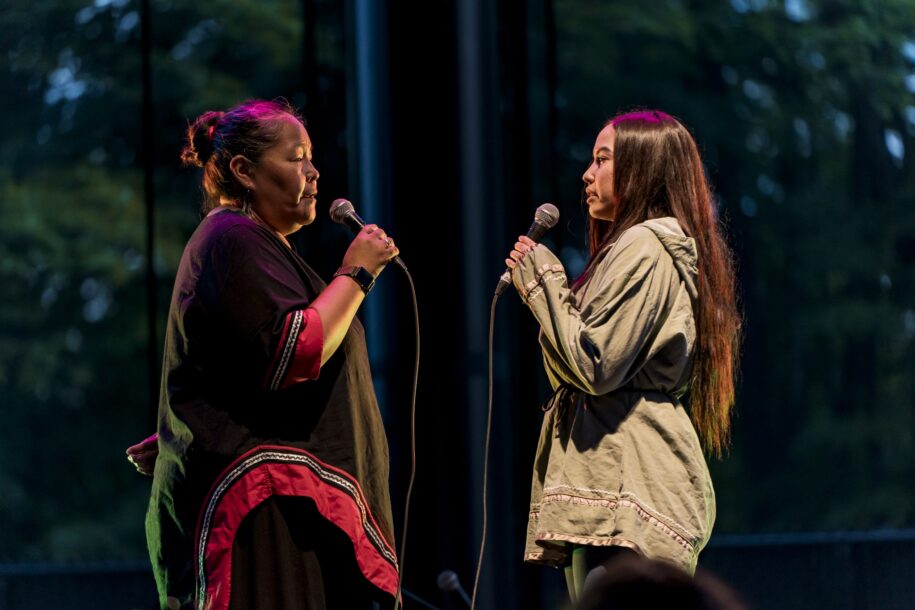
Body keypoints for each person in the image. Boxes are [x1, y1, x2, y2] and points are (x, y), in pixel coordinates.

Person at [128, 99, 400, 610]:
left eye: (311, 157)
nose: (314, 172)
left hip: (279, 503)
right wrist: (357, 273)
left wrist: (192, 424)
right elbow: (297, 350)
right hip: (262, 511)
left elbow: (235, 362)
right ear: (244, 171)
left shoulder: (250, 244)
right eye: (296, 157)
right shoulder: (231, 237)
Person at [504, 110, 740, 601]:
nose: (586, 175)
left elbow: (594, 365)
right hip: (619, 482)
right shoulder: (640, 247)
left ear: (643, 167)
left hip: (626, 485)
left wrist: (544, 282)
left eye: (602, 160)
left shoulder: (646, 243)